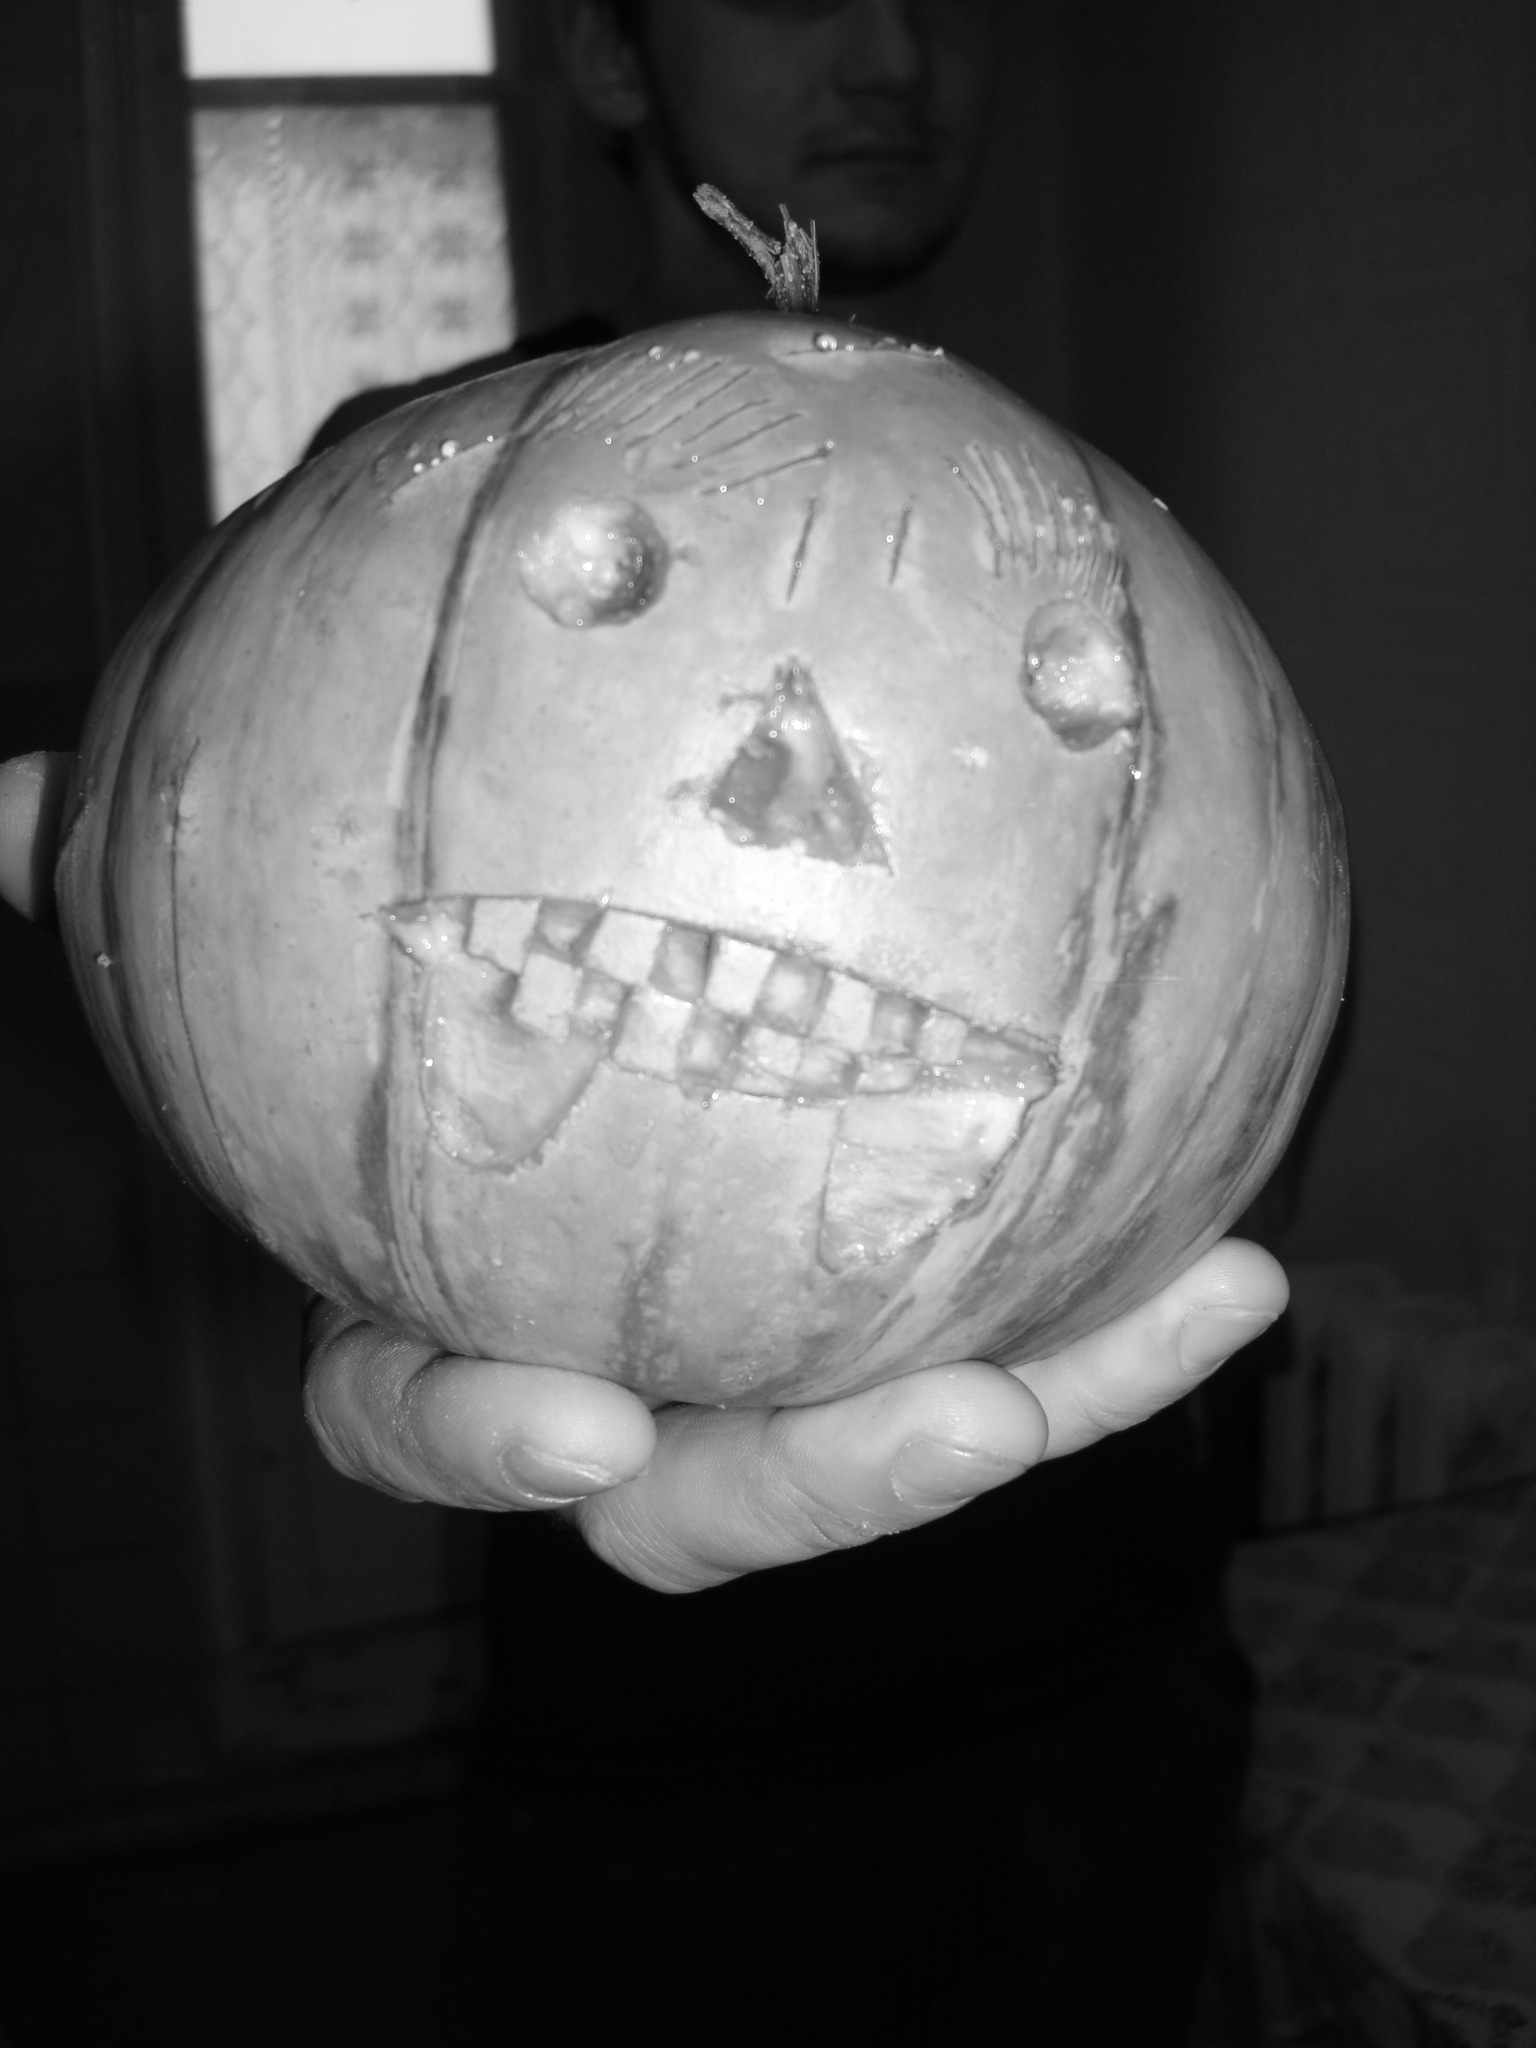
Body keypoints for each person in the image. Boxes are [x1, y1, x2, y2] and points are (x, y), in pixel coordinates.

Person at [0, 4, 1291, 2036]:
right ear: (608, 60)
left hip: (1128, 1641)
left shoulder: (1125, 531)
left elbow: (1238, 1006)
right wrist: (350, 1164)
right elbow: (326, 962)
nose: (891, 48)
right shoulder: (404, 485)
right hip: (675, 1735)